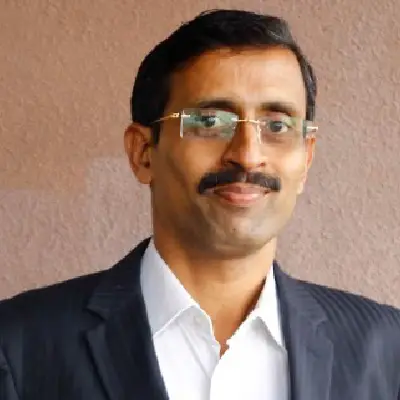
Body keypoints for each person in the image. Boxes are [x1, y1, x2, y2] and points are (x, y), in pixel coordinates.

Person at [0, 9, 399, 400]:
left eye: (277, 125)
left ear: (306, 158)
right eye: (210, 122)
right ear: (143, 153)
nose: (247, 156)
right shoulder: (19, 347)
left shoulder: (387, 350)